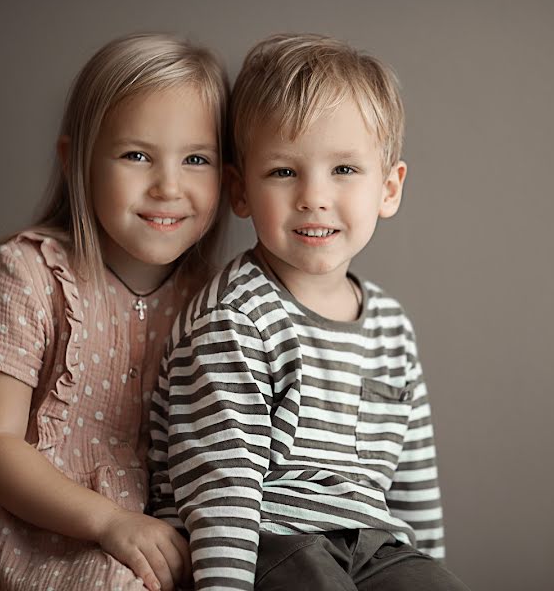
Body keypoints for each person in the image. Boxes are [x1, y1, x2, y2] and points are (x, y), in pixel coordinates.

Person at [148, 33, 469, 591]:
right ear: (240, 190)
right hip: (266, 537)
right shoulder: (236, 317)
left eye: (344, 169)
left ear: (388, 189)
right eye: (282, 172)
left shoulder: (391, 326)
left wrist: (429, 569)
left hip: (371, 544)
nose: (313, 196)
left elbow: (413, 481)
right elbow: (220, 489)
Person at [0, 33, 229, 591]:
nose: (168, 186)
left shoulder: (214, 299)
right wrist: (109, 520)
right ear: (76, 161)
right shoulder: (26, 274)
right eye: (137, 155)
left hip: (151, 529)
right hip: (26, 527)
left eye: (196, 159)